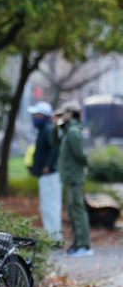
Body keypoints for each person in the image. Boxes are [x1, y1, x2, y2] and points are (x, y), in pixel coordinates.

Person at [53, 102, 92, 257]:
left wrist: (84, 167)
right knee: (72, 210)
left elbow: (80, 154)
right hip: (70, 177)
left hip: (74, 177)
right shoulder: (68, 130)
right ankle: (77, 243)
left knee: (77, 210)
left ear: (71, 113)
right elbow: (55, 143)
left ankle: (84, 244)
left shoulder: (74, 131)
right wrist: (57, 126)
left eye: (64, 113)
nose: (62, 116)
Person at [26, 101, 62, 242]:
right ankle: (51, 236)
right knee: (47, 207)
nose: (34, 117)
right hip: (46, 175)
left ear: (43, 115)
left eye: (36, 115)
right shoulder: (45, 130)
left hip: (50, 175)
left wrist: (48, 165)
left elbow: (55, 148)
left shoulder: (47, 130)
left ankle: (54, 238)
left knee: (51, 207)